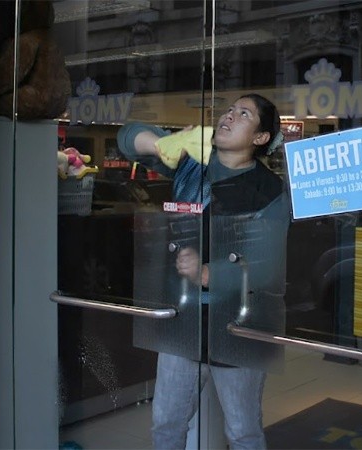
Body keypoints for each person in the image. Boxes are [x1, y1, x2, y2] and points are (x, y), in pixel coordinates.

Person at [117, 94, 290, 449]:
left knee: (242, 430)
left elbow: (267, 265)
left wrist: (209, 273)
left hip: (239, 326)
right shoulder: (193, 161)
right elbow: (127, 139)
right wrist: (165, 143)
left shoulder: (270, 191)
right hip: (183, 320)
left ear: (259, 138)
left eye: (244, 114)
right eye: (229, 110)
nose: (228, 117)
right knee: (166, 423)